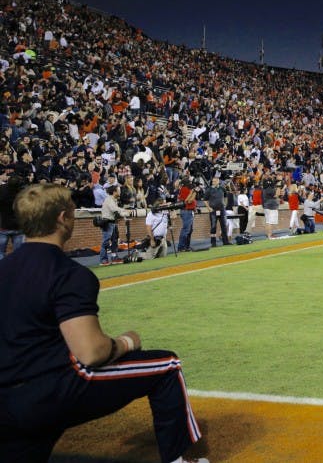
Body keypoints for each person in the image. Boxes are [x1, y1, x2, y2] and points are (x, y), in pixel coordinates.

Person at [0, 183, 207, 463]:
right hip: (51, 391)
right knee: (167, 365)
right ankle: (178, 460)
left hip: (8, 396)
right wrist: (126, 342)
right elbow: (91, 353)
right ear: (62, 218)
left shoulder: (6, 268)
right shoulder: (69, 273)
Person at [99, 184, 128, 266]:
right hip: (107, 222)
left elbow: (117, 211)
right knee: (106, 242)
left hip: (113, 222)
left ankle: (114, 257)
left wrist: (123, 212)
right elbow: (114, 209)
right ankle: (103, 260)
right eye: (119, 190)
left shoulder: (114, 200)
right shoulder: (109, 200)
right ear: (114, 192)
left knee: (115, 241)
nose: (120, 192)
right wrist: (124, 211)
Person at [0, 174, 26, 259]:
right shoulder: (22, 194)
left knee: (0, 253)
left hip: (3, 226)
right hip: (18, 227)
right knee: (18, 254)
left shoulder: (2, 190)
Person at [203, 176, 230, 247]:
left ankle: (225, 241)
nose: (213, 182)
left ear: (218, 181)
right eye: (213, 181)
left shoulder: (222, 188)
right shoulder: (209, 190)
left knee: (224, 226)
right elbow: (205, 200)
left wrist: (225, 204)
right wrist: (209, 208)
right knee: (213, 226)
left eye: (215, 181)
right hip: (213, 210)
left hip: (222, 209)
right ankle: (213, 243)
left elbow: (226, 196)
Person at [177, 177, 197, 252]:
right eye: (189, 182)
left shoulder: (185, 188)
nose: (190, 184)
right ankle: (181, 247)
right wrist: (194, 193)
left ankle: (186, 246)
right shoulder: (185, 189)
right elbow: (188, 201)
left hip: (188, 211)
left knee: (189, 230)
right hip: (187, 211)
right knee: (186, 230)